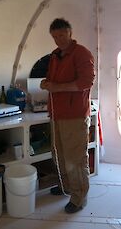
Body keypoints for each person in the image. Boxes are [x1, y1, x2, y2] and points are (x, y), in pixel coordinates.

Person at [40, 18, 95, 213]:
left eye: (61, 35)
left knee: (75, 158)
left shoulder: (82, 53)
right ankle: (67, 186)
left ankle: (79, 198)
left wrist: (57, 88)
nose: (58, 40)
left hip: (74, 115)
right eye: (55, 37)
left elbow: (86, 82)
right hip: (56, 113)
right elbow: (54, 80)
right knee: (59, 154)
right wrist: (47, 83)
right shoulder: (55, 55)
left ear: (70, 33)